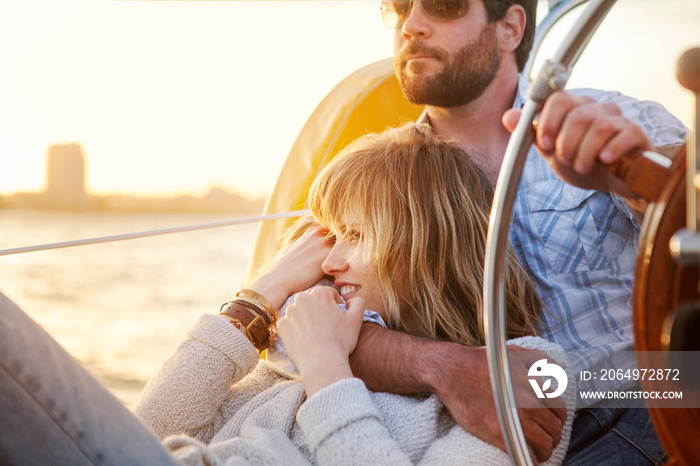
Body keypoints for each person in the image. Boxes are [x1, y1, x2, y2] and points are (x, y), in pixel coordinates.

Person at [0, 123, 575, 465]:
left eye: (354, 235)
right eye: (329, 236)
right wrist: (261, 295)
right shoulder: (291, 354)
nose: (328, 260)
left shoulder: (518, 375)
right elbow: (149, 432)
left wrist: (327, 368)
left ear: (424, 240)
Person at [343, 0, 687, 464]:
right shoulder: (377, 176)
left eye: (443, 6)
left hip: (654, 405)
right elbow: (304, 330)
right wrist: (447, 368)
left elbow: (691, 200)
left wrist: (634, 179)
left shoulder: (614, 117)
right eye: (398, 8)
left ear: (509, 28)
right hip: (496, 444)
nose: (412, 26)